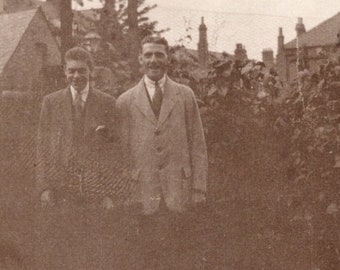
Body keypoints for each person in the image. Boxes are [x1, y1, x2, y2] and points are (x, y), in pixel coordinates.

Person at [117, 36, 208, 268]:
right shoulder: (125, 101)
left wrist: (198, 187)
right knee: (146, 259)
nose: (153, 60)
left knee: (180, 258)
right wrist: (124, 191)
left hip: (180, 191)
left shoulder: (185, 95)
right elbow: (121, 153)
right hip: (142, 194)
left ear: (168, 58)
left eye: (159, 54)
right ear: (140, 59)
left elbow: (197, 144)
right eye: (148, 55)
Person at [35, 46, 118, 269]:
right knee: (63, 250)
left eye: (82, 70)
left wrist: (109, 192)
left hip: (96, 191)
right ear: (65, 71)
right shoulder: (51, 102)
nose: (76, 76)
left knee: (95, 250)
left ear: (91, 71)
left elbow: (114, 152)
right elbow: (42, 147)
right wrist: (44, 187)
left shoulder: (107, 103)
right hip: (61, 189)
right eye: (71, 71)